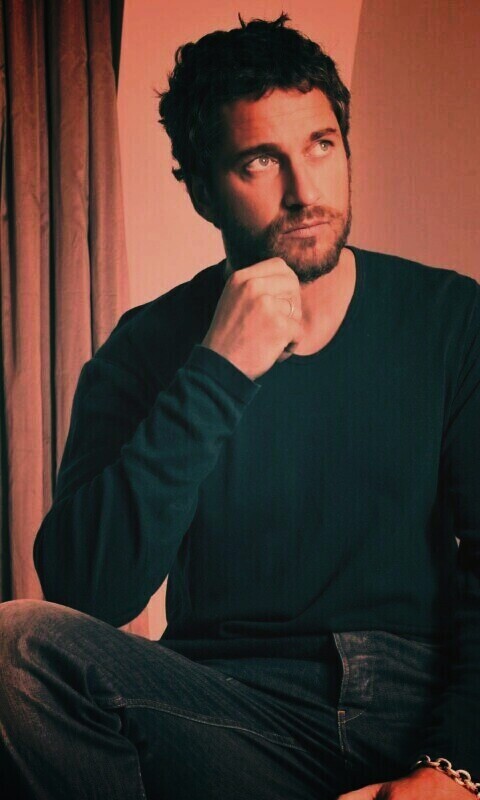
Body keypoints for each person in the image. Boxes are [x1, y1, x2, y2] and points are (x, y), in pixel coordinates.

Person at [0, 13, 479, 800]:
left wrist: (456, 766)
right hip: (229, 710)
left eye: (321, 145)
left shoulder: (450, 319)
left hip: (415, 697)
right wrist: (218, 370)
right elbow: (85, 591)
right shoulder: (144, 348)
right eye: (261, 160)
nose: (305, 192)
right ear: (201, 191)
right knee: (15, 653)